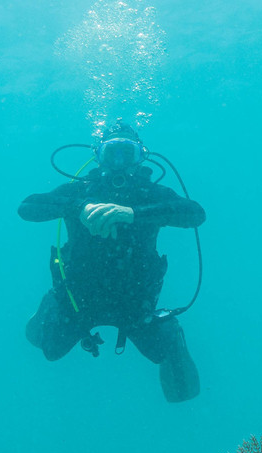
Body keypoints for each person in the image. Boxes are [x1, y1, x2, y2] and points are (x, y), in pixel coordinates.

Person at [20, 122, 205, 402]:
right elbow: (28, 207)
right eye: (111, 153)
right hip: (77, 300)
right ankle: (50, 303)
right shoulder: (79, 191)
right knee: (48, 348)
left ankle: (172, 339)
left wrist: (132, 213)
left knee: (182, 390)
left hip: (135, 304)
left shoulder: (150, 194)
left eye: (126, 153)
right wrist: (78, 207)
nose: (119, 163)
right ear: (98, 156)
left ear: (140, 156)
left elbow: (195, 214)